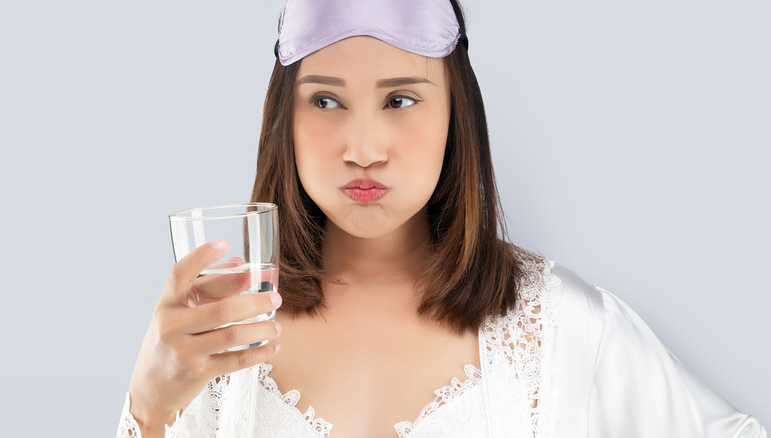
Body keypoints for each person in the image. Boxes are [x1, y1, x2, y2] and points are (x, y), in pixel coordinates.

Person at [117, 0, 767, 437]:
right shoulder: (211, 342)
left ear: (457, 114)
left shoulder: (560, 324)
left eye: (400, 98)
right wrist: (147, 406)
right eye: (325, 100)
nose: (363, 148)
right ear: (283, 119)